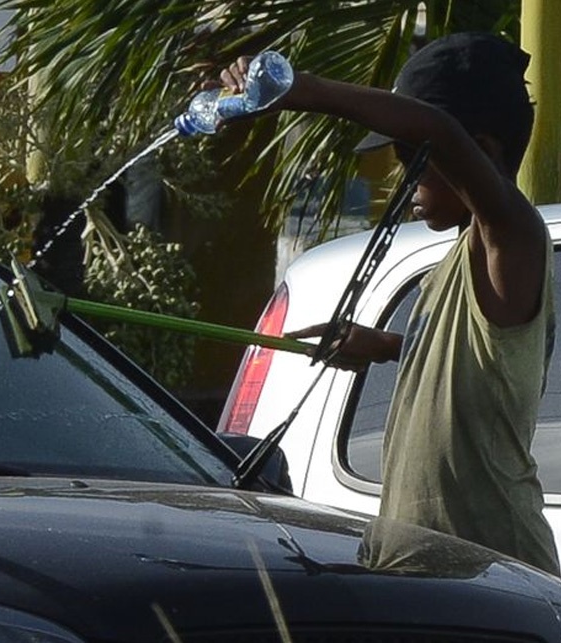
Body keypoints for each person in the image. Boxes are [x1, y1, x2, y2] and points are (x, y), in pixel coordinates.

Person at [219, 32, 559, 575]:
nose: (406, 179)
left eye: (413, 158)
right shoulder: (454, 263)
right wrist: (383, 345)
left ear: (483, 152)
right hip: (426, 571)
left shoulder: (512, 236)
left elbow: (439, 130)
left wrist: (302, 90)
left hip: (497, 574)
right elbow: (476, 367)